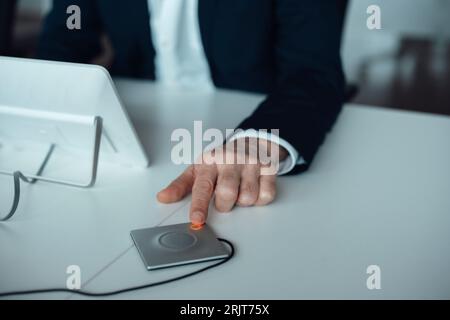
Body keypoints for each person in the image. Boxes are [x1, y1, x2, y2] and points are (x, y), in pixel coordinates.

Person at [37, 0, 345, 226]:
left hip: (258, 120)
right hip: (131, 146)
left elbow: (312, 72)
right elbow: (61, 44)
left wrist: (256, 143)